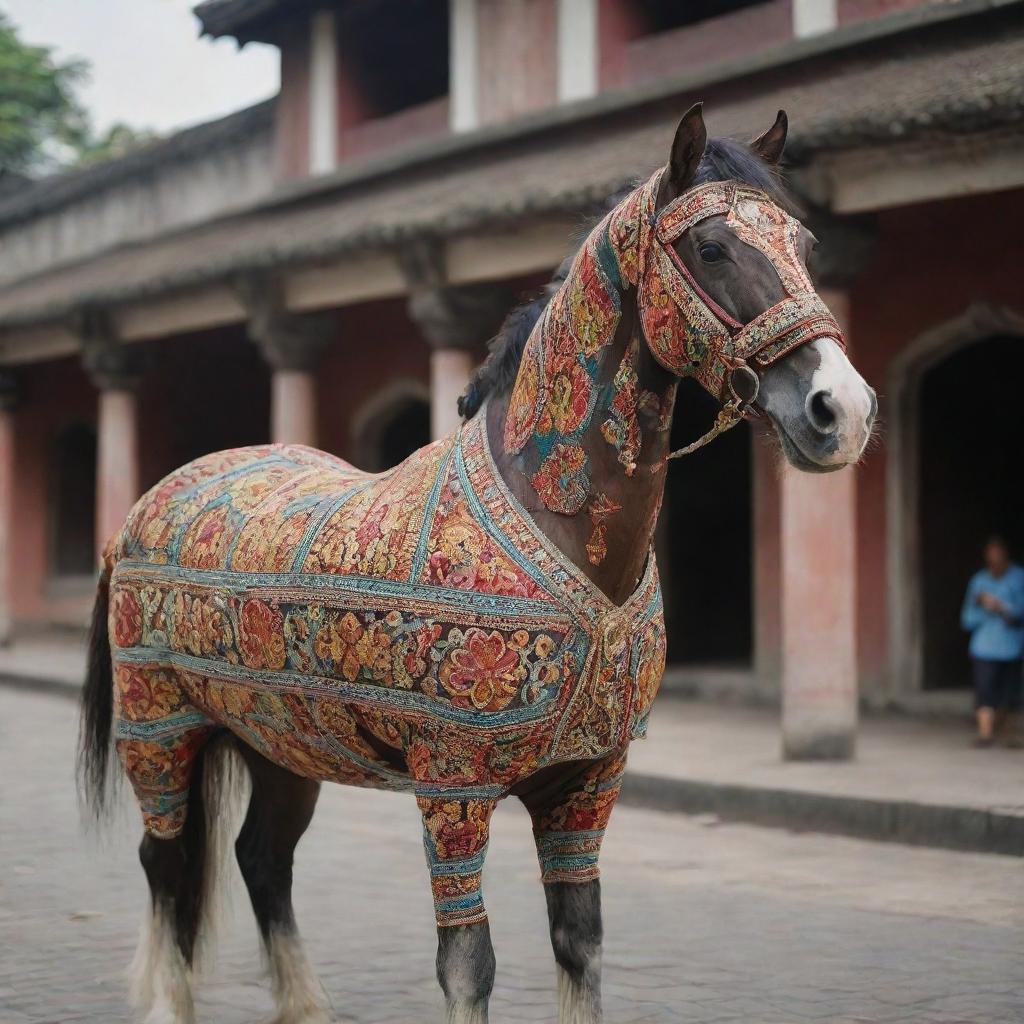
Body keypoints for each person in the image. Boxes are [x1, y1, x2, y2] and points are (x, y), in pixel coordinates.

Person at [961, 535, 1024, 747]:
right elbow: (967, 619)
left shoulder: (1018, 579)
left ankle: (1009, 734)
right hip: (984, 646)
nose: (994, 559)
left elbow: (1019, 615)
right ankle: (985, 735)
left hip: (1012, 646)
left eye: (998, 554)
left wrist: (1002, 608)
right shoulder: (979, 581)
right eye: (991, 554)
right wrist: (983, 606)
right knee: (985, 691)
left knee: (1010, 694)